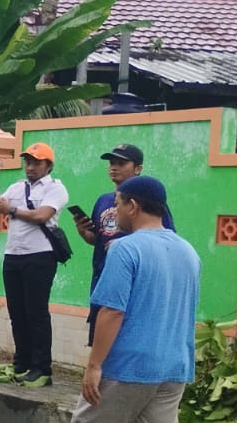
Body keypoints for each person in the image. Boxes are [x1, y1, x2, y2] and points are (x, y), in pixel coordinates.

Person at [71, 176, 199, 423]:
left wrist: (94, 365)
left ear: (133, 206)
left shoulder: (125, 249)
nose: (114, 211)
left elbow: (112, 310)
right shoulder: (188, 250)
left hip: (130, 364)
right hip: (175, 364)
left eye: (118, 203)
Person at [73, 143, 174, 346]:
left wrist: (126, 244)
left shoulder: (150, 202)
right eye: (111, 163)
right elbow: (99, 239)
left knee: (124, 340)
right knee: (102, 342)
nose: (114, 167)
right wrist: (84, 232)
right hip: (103, 279)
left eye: (121, 163)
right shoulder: (103, 200)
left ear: (138, 169)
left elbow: (164, 238)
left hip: (134, 285)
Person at [0, 142, 68, 385]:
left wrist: (11, 209)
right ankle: (21, 363)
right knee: (17, 312)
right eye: (28, 162)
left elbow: (41, 215)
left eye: (36, 162)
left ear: (48, 165)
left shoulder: (56, 188)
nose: (30, 167)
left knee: (36, 312)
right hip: (14, 255)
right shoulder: (16, 187)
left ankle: (42, 368)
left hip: (40, 256)